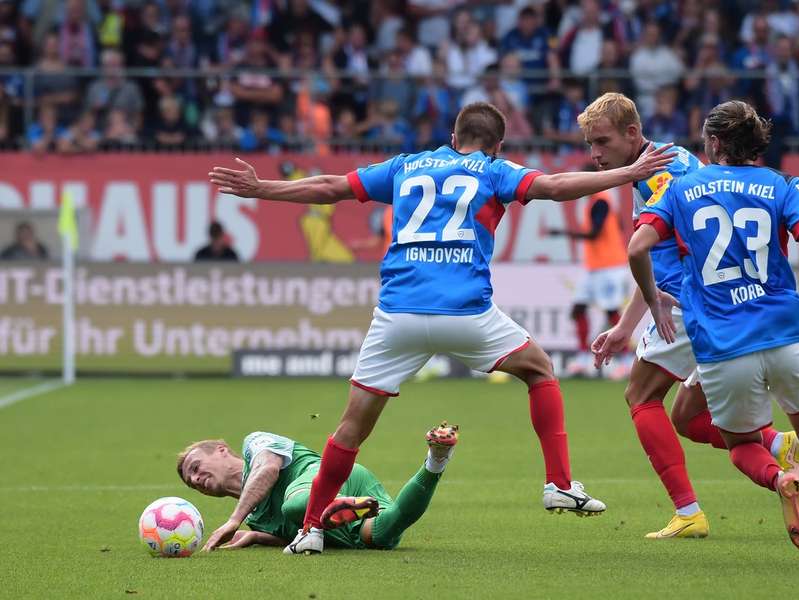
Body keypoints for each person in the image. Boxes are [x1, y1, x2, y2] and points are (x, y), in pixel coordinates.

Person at [209, 101, 675, 555]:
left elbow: (332, 186)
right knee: (539, 369)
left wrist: (261, 189)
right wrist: (626, 175)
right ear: (496, 146)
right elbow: (553, 186)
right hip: (465, 313)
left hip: (398, 317)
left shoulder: (404, 166)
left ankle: (309, 529)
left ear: (452, 139)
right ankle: (558, 483)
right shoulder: (494, 171)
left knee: (350, 427)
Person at [629, 100, 799, 562]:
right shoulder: (784, 184)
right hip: (782, 331)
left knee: (742, 444)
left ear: (715, 142)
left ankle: (779, 478)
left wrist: (652, 295)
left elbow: (637, 246)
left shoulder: (682, 187)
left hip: (722, 341)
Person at [586, 92, 799, 540]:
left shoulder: (656, 178)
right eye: (590, 143)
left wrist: (656, 304)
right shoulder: (675, 161)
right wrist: (627, 326)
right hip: (719, 302)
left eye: (602, 142)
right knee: (686, 418)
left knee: (641, 397)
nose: (595, 154)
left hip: (693, 305)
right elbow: (658, 256)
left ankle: (688, 512)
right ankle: (778, 447)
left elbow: (647, 252)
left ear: (632, 133)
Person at [181, 422, 459, 552]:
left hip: (323, 477)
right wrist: (255, 537)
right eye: (191, 483)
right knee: (385, 533)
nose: (195, 480)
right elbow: (290, 534)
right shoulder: (256, 520)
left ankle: (336, 505)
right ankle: (436, 461)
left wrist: (233, 520)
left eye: (195, 467)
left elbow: (268, 469)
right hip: (343, 513)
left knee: (295, 506)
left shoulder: (255, 444)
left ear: (220, 450)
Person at [547, 163, 629, 377]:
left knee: (612, 313)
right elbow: (618, 227)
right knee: (578, 308)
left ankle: (627, 359)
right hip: (595, 266)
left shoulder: (600, 200)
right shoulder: (598, 201)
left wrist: (563, 233)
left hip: (609, 266)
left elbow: (594, 233)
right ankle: (583, 357)